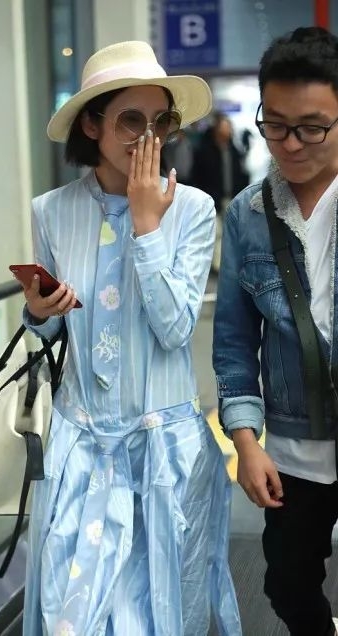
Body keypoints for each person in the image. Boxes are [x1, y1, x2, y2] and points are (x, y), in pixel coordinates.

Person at [19, 40, 241, 635]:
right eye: (130, 120)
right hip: (81, 448)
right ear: (92, 125)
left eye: (160, 121)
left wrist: (147, 225)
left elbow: (175, 328)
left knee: (163, 612)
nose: (148, 137)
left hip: (164, 454)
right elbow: (56, 328)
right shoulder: (51, 211)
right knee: (73, 615)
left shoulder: (191, 210)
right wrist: (39, 312)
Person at [213, 26, 338, 636]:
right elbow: (235, 341)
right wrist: (245, 440)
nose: (290, 144)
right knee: (287, 585)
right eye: (276, 124)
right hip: (291, 451)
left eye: (312, 127)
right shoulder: (248, 215)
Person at [191, 112, 249, 272]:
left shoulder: (234, 151)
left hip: (232, 197)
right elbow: (198, 176)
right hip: (212, 198)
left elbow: (241, 174)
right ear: (216, 130)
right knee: (215, 232)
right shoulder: (205, 151)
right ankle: (217, 265)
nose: (226, 131)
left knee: (231, 232)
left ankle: (226, 263)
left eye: (228, 128)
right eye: (223, 128)